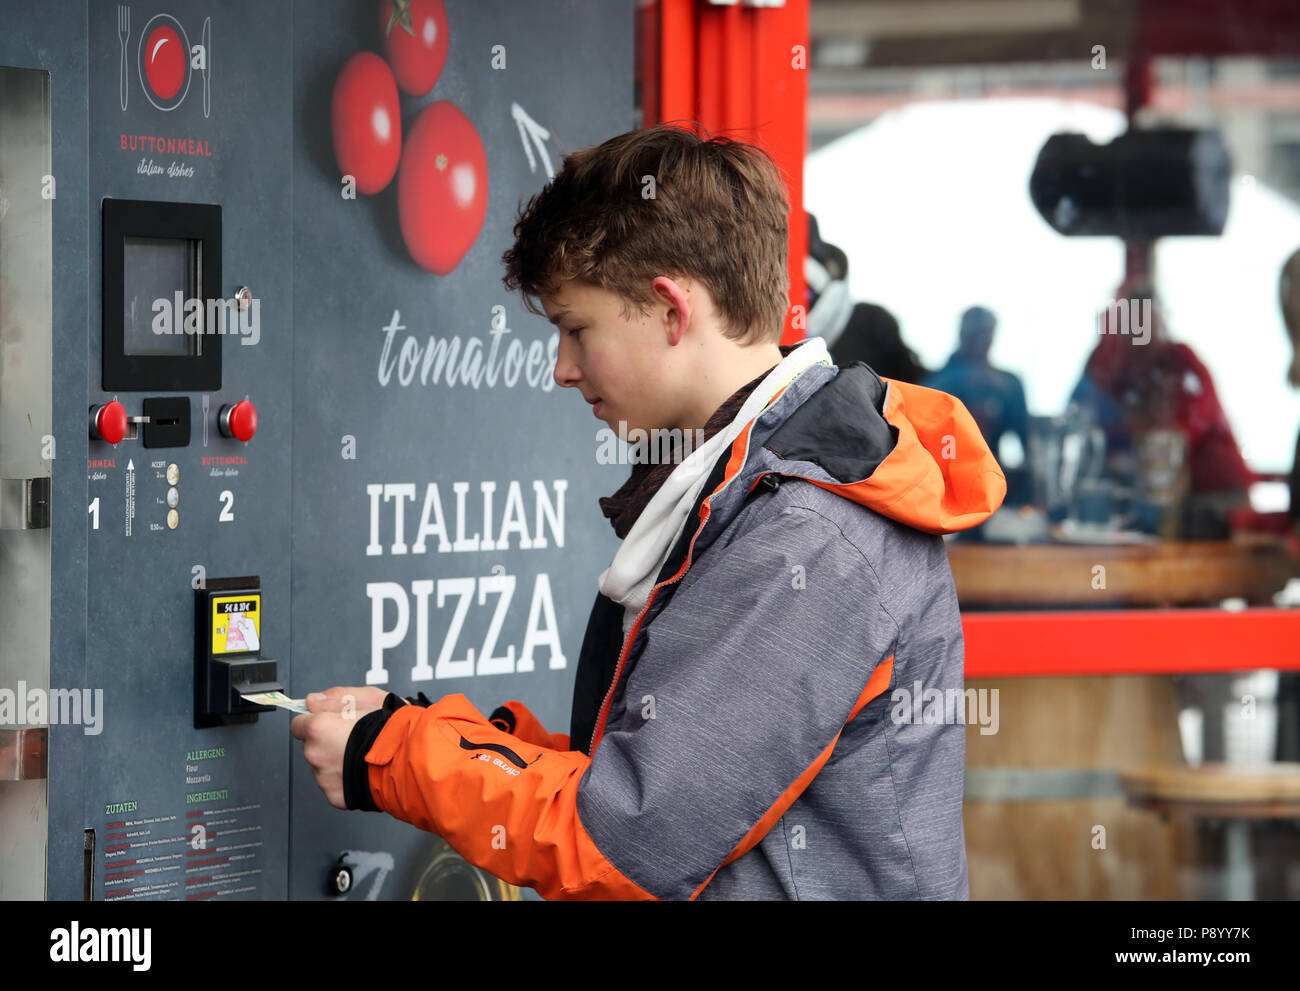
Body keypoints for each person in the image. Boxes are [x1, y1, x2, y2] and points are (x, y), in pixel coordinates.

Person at [292, 123, 1006, 900]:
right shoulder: (759, 490)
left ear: (670, 309)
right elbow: (660, 772)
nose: (562, 370)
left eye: (575, 329)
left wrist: (392, 755)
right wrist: (420, 731)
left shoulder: (808, 538)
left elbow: (624, 842)